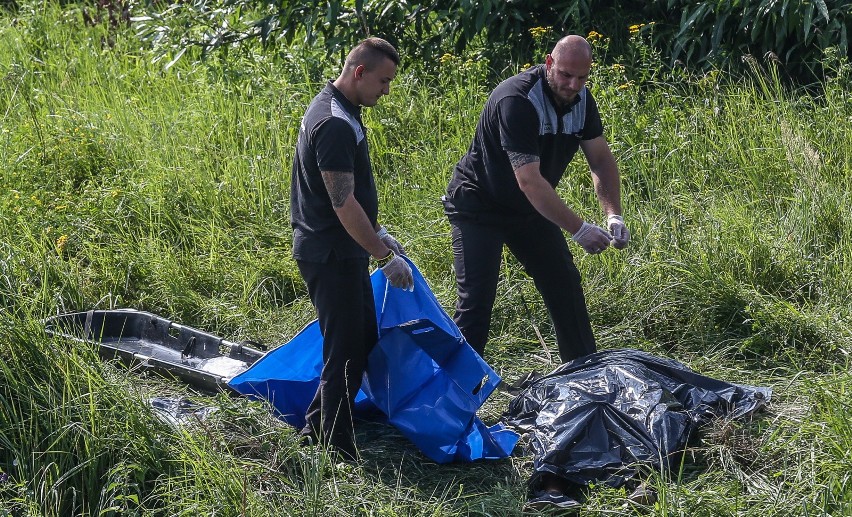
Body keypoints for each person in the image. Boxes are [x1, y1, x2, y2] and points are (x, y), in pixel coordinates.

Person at [442, 34, 630, 364]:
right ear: (548, 64)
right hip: (478, 205)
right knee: (477, 302)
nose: (573, 85)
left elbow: (600, 160)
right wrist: (580, 229)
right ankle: (453, 401)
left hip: (527, 209)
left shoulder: (582, 101)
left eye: (582, 77)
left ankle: (583, 379)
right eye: (565, 74)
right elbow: (530, 181)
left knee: (564, 283)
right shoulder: (517, 100)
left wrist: (613, 214)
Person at [290, 36, 414, 460]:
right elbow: (342, 203)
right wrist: (384, 256)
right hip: (330, 252)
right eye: (383, 81)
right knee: (343, 350)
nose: (386, 90)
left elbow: (352, 197)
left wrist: (379, 235)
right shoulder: (335, 124)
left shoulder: (343, 110)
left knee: (359, 338)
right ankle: (335, 448)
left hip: (346, 250)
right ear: (359, 72)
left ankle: (317, 427)